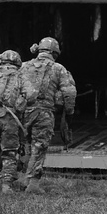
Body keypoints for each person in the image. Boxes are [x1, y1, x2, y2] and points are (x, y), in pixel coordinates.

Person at [18, 37, 77, 193]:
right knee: (39, 146)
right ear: (55, 53)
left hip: (23, 113)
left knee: (27, 145)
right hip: (44, 113)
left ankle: (23, 179)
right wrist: (69, 114)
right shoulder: (58, 68)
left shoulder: (23, 66)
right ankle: (33, 184)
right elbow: (69, 93)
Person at [0, 50, 36, 194]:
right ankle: (6, 186)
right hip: (11, 119)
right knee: (10, 152)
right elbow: (31, 95)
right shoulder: (20, 76)